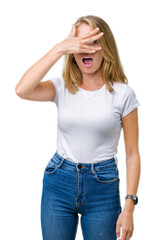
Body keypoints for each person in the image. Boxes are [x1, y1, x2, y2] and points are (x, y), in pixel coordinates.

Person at [15, 15, 141, 240]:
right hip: (58, 182)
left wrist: (130, 205)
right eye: (79, 43)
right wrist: (59, 48)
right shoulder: (61, 87)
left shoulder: (123, 94)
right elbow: (22, 90)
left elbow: (132, 153)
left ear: (106, 47)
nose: (85, 49)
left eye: (93, 42)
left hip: (103, 187)